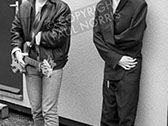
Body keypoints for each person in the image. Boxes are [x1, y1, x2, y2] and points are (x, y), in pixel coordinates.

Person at [10, 0, 71, 126]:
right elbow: (16, 30)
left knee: (49, 111)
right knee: (36, 110)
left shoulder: (61, 7)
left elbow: (60, 35)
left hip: (52, 64)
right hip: (31, 63)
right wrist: (16, 50)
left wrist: (38, 37)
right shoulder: (24, 6)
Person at [93, 0, 147, 126]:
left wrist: (110, 45)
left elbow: (134, 37)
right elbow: (97, 37)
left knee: (126, 117)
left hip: (129, 66)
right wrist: (117, 59)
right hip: (111, 65)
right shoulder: (102, 6)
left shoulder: (139, 4)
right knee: (107, 116)